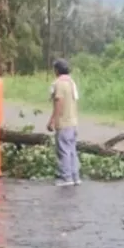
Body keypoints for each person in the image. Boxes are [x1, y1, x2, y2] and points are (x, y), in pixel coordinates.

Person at [47, 58, 81, 186]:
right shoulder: (72, 82)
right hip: (73, 121)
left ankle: (66, 178)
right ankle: (75, 176)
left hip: (64, 122)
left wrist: (52, 121)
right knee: (72, 150)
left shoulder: (59, 84)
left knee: (63, 150)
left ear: (56, 70)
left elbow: (59, 103)